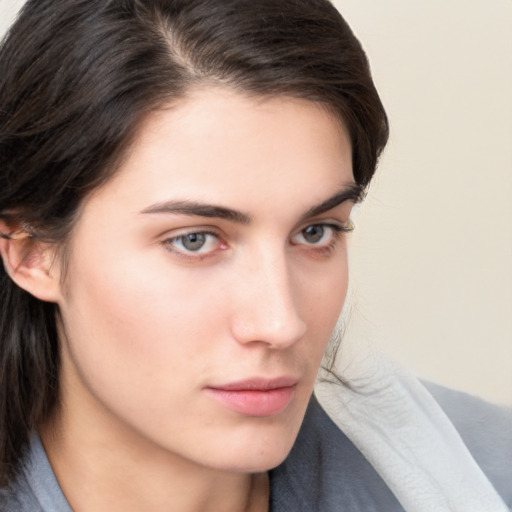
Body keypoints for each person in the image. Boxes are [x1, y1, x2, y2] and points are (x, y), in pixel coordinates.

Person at [0, 1, 510, 511]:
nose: (282, 323)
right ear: (32, 253)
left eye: (315, 232)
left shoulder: (482, 478)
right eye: (194, 240)